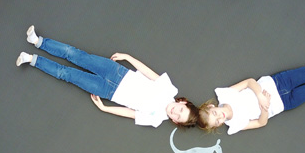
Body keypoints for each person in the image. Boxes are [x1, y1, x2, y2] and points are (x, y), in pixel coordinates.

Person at [17, 26, 199, 128]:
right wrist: (128, 57)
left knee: (66, 74)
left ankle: (32, 60)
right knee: (75, 55)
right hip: (117, 72)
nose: (175, 113)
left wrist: (105, 108)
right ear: (182, 103)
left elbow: (130, 113)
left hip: (108, 92)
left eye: (178, 118)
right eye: (180, 111)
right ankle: (38, 41)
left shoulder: (157, 119)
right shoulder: (169, 90)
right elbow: (149, 73)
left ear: (175, 121)